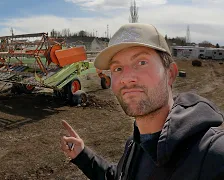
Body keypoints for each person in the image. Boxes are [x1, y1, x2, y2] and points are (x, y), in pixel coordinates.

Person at [60, 23, 224, 180]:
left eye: (141, 62)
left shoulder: (212, 155)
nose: (126, 78)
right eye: (117, 68)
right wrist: (83, 156)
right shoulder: (135, 144)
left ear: (171, 74)